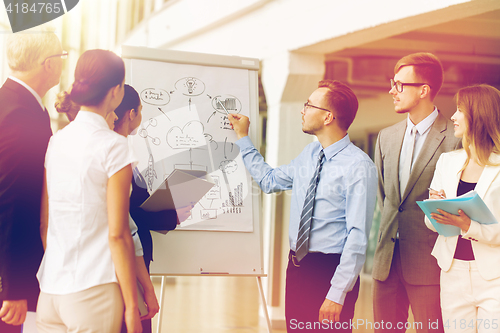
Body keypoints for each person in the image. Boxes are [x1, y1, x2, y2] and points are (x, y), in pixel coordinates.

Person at [229, 80, 377, 332]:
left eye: (309, 105)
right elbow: (269, 181)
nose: (302, 110)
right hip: (298, 267)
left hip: (329, 270)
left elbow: (358, 237)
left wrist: (336, 293)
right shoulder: (309, 155)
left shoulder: (359, 166)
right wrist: (243, 138)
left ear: (328, 116)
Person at [36, 50, 141, 333]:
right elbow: (118, 235)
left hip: (51, 291)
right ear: (116, 91)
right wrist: (132, 306)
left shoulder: (56, 142)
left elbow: (45, 223)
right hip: (94, 290)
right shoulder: (114, 146)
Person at [372, 52, 461, 332]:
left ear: (423, 90)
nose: (392, 91)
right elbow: (386, 199)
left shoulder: (455, 139)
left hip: (429, 265)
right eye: (392, 83)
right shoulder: (386, 137)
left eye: (400, 85)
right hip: (386, 262)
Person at [113, 84, 192, 333]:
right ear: (131, 113)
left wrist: (172, 215)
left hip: (133, 259)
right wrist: (173, 212)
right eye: (142, 110)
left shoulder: (123, 150)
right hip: (126, 262)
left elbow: (135, 213)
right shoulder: (117, 153)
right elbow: (128, 221)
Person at [0, 31, 64, 332]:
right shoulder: (19, 113)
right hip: (11, 275)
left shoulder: (19, 102)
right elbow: (12, 201)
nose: (65, 64)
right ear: (48, 64)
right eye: (62, 57)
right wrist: (13, 287)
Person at [425, 84, 500, 332]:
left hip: (493, 276)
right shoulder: (448, 161)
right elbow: (430, 222)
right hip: (452, 270)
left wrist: (469, 226)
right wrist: (436, 210)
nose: (453, 117)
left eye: (459, 110)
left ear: (479, 116)